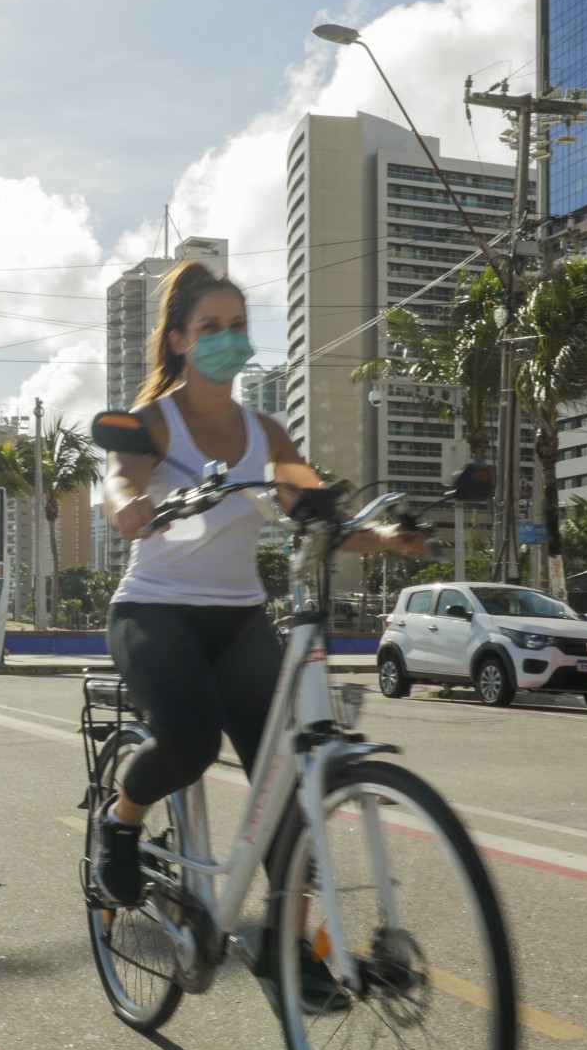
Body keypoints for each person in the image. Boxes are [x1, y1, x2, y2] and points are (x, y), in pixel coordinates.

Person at [93, 259, 425, 921]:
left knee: (285, 781)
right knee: (189, 743)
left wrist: (386, 537)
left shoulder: (267, 433)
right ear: (181, 339)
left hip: (240, 622)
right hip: (154, 612)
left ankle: (290, 950)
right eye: (210, 326)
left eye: (238, 326)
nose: (226, 338)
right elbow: (120, 479)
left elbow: (318, 515)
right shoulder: (156, 421)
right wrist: (127, 505)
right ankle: (123, 821)